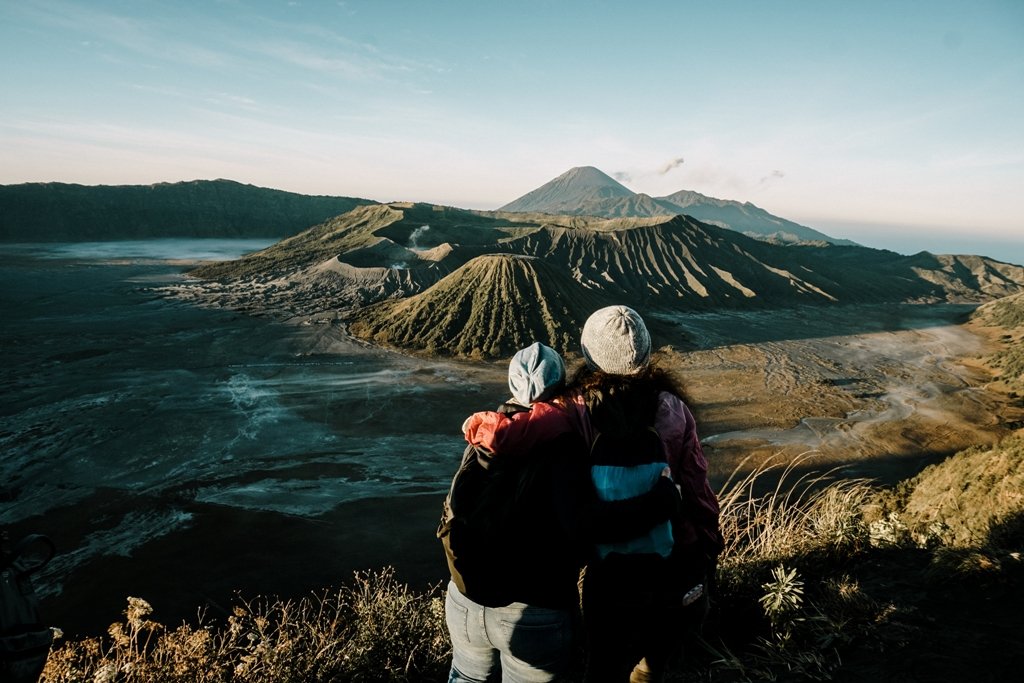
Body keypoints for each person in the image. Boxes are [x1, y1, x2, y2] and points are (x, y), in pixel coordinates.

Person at [463, 307, 721, 683]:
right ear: (646, 355)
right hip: (671, 561)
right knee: (654, 664)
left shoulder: (573, 409)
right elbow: (698, 490)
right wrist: (707, 551)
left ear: (589, 355)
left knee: (603, 667)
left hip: (610, 569)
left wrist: (479, 426)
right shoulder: (673, 409)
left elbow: (511, 434)